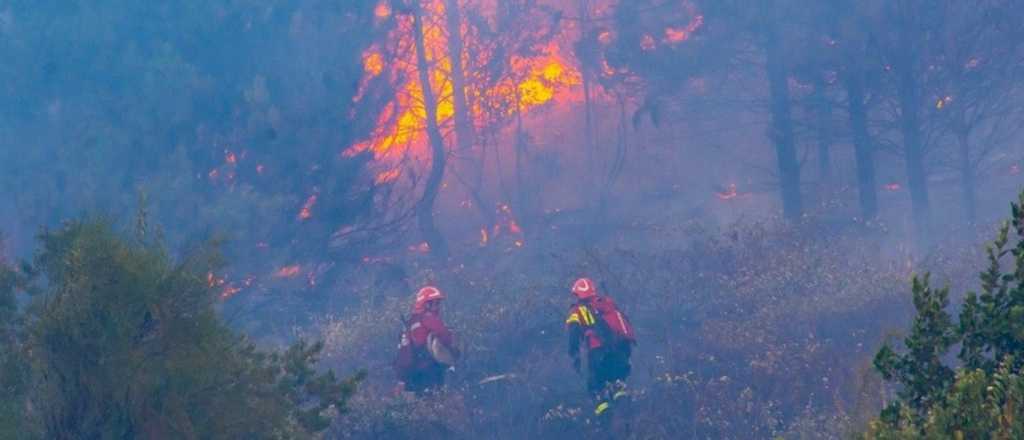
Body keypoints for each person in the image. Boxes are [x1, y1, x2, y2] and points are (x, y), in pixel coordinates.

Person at [565, 277, 637, 415]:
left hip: (598, 352)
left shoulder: (577, 311)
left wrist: (574, 354)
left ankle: (604, 419)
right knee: (617, 381)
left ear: (578, 294)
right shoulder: (607, 303)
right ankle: (624, 407)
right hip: (621, 349)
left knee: (595, 386)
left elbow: (573, 333)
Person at [394, 286, 460, 395]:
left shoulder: (411, 322)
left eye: (438, 303)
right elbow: (444, 335)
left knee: (422, 400)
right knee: (437, 399)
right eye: (434, 303)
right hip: (430, 369)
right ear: (426, 304)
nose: (437, 307)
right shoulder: (427, 317)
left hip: (413, 373)